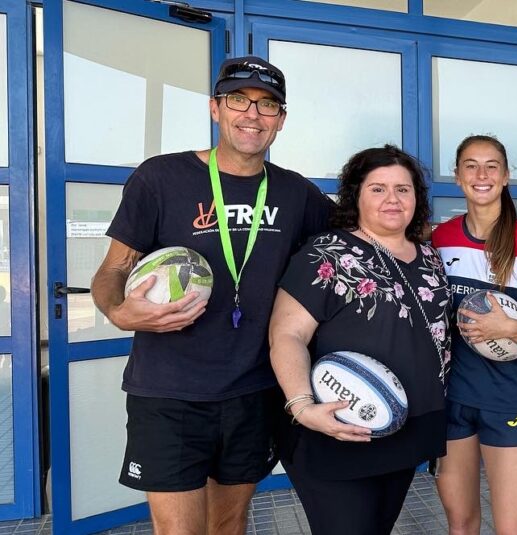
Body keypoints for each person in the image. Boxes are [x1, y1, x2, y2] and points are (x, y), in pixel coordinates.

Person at [91, 56, 332, 534]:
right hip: (168, 390)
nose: (252, 114)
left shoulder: (297, 194)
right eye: (239, 100)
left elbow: (355, 239)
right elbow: (113, 269)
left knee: (230, 523)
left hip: (253, 389)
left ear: (281, 121)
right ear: (215, 109)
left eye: (267, 106)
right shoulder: (160, 179)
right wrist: (119, 312)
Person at [267, 145, 451, 533]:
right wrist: (302, 406)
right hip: (336, 429)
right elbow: (287, 334)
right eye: (378, 189)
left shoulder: (430, 256)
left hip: (407, 429)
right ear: (356, 194)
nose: (392, 199)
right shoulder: (328, 252)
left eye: (403, 189)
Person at [431, 135, 517, 535]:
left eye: (492, 166)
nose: (481, 174)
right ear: (457, 177)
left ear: (506, 177)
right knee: (461, 524)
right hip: (451, 399)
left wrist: (508, 328)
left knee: (513, 528)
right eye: (471, 165)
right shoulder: (439, 240)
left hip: (509, 400)